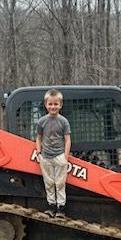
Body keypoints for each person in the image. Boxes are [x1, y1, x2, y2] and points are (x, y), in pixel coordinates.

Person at [36, 88, 71, 218]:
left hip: (59, 156)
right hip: (45, 157)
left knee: (60, 183)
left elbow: (67, 139)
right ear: (46, 105)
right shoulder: (41, 121)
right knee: (49, 182)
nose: (53, 106)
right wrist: (39, 153)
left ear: (60, 105)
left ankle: (61, 208)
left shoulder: (63, 121)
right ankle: (51, 206)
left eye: (56, 104)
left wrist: (65, 157)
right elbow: (38, 138)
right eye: (50, 104)